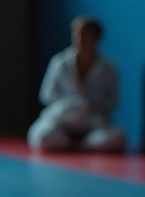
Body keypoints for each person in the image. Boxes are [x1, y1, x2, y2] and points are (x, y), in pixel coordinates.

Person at [28, 17, 126, 153]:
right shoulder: (60, 62)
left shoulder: (109, 68)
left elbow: (113, 101)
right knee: (42, 136)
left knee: (118, 137)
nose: (79, 39)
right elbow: (47, 95)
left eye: (86, 35)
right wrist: (72, 105)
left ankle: (80, 145)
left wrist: (89, 106)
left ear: (96, 38)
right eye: (77, 34)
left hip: (92, 122)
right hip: (61, 119)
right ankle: (66, 141)